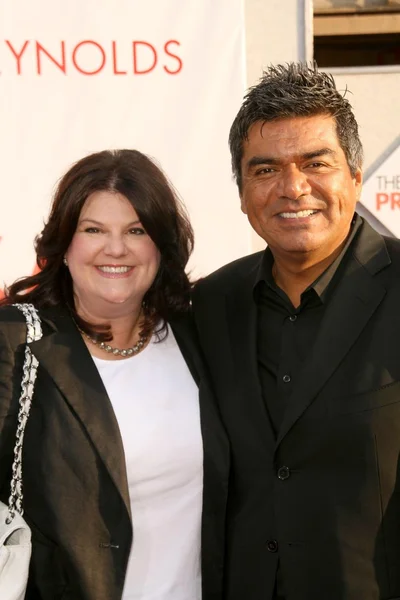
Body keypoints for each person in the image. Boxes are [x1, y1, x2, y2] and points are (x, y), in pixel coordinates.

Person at [192, 62, 400, 600]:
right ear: (241, 192)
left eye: (316, 163)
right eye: (265, 170)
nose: (293, 188)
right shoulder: (208, 306)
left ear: (354, 177)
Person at [0, 149, 229, 600]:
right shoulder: (14, 340)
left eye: (136, 231)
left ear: (160, 247)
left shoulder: (200, 335)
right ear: (64, 246)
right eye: (93, 230)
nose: (116, 248)